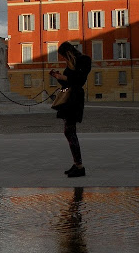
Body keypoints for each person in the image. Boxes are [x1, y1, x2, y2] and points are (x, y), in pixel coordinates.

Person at [50, 42, 91, 178]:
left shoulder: (84, 60)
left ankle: (79, 166)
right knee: (69, 131)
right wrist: (58, 77)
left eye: (63, 55)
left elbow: (79, 80)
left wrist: (64, 77)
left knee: (69, 131)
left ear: (68, 52)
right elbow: (68, 82)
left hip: (75, 100)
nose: (62, 59)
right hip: (68, 100)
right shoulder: (70, 64)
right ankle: (77, 164)